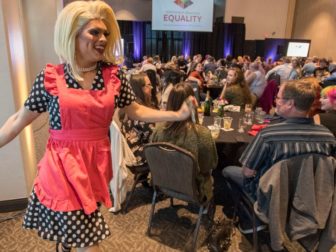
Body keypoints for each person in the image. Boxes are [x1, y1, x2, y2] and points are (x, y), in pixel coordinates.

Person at [0, 1, 191, 252]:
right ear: (72, 34)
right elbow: (18, 119)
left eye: (105, 33)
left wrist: (176, 115)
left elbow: (135, 110)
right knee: (88, 240)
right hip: (62, 168)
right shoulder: (51, 77)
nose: (102, 39)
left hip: (95, 166)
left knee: (77, 229)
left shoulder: (114, 76)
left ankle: (63, 247)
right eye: (94, 32)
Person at [222, 80, 336, 232]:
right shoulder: (328, 137)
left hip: (269, 197)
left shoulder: (268, 135)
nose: (275, 101)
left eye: (278, 97)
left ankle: (249, 218)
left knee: (228, 170)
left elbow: (247, 172)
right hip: (306, 199)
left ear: (290, 104)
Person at [151, 82, 218, 202]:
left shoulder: (158, 129)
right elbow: (210, 164)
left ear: (170, 102)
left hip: (163, 183)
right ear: (193, 103)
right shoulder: (201, 134)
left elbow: (154, 157)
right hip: (193, 188)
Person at [120, 73, 156, 165]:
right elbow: (154, 135)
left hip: (137, 150)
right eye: (148, 85)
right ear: (140, 88)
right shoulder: (138, 112)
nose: (151, 87)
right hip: (137, 155)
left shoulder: (135, 104)